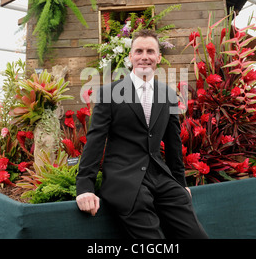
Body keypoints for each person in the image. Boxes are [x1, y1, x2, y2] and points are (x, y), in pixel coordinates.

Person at [76, 29, 208, 239]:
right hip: (124, 179)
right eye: (138, 51)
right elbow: (95, 141)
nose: (144, 56)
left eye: (150, 51)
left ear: (158, 57)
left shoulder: (169, 95)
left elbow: (173, 143)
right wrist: (85, 187)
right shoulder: (108, 93)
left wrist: (181, 183)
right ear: (130, 57)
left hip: (161, 177)